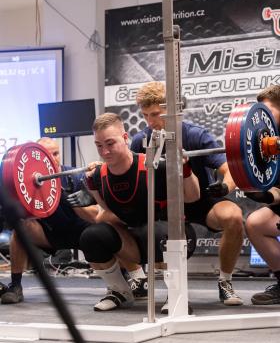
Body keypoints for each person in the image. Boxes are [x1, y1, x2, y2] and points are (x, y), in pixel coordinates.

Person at [131, 81, 244, 309]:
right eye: (146, 116)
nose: (151, 122)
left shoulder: (195, 135)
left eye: (156, 114)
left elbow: (228, 169)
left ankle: (225, 281)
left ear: (174, 111)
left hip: (201, 200)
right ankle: (158, 287)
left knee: (233, 217)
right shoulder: (141, 140)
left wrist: (224, 187)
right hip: (164, 206)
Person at [73, 112, 200, 311]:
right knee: (92, 236)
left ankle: (177, 294)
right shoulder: (98, 176)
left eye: (110, 143)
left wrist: (186, 169)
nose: (105, 151)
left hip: (175, 237)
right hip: (134, 241)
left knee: (158, 232)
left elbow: (193, 196)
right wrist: (92, 194)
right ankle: (119, 291)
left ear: (125, 138)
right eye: (99, 146)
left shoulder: (154, 166)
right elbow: (107, 212)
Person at [0, 137, 100, 304]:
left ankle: (126, 279)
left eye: (56, 153)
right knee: (21, 229)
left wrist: (69, 199)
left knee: (105, 230)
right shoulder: (28, 184)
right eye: (48, 154)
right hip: (50, 234)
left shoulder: (76, 176)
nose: (53, 158)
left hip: (81, 232)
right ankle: (15, 286)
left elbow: (96, 215)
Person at [245, 84, 280, 305]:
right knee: (255, 223)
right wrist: (268, 197)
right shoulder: (264, 143)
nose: (264, 118)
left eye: (269, 111)